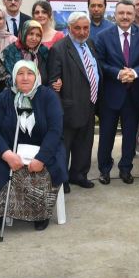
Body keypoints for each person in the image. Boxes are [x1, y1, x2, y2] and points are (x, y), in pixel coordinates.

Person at [0, 60, 67, 231]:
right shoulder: (4, 98)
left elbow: (55, 130)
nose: (25, 78)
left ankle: (40, 213)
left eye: (29, 73)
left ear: (36, 76)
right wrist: (7, 154)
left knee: (42, 173)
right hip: (12, 149)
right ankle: (2, 211)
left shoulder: (48, 96)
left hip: (45, 149)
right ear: (14, 76)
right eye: (20, 73)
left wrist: (41, 158)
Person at [94, 0, 139, 185]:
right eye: (121, 13)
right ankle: (104, 170)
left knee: (129, 136)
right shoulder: (104, 36)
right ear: (115, 14)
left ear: (134, 14)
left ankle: (125, 169)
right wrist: (119, 73)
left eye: (129, 13)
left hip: (134, 94)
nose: (125, 17)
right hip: (111, 94)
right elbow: (100, 62)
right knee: (106, 135)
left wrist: (135, 73)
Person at [47, 12, 100, 191]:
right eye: (77, 28)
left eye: (86, 28)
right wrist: (59, 109)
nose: (82, 32)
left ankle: (79, 175)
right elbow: (53, 81)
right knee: (65, 146)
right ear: (69, 28)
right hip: (68, 107)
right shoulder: (59, 49)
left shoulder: (90, 44)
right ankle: (63, 180)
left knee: (85, 144)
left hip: (89, 103)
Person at [0, 20, 49, 89]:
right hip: (13, 97)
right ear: (23, 33)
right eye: (30, 34)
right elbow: (3, 82)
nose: (34, 38)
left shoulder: (43, 52)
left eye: (38, 35)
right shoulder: (8, 53)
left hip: (40, 96)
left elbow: (50, 75)